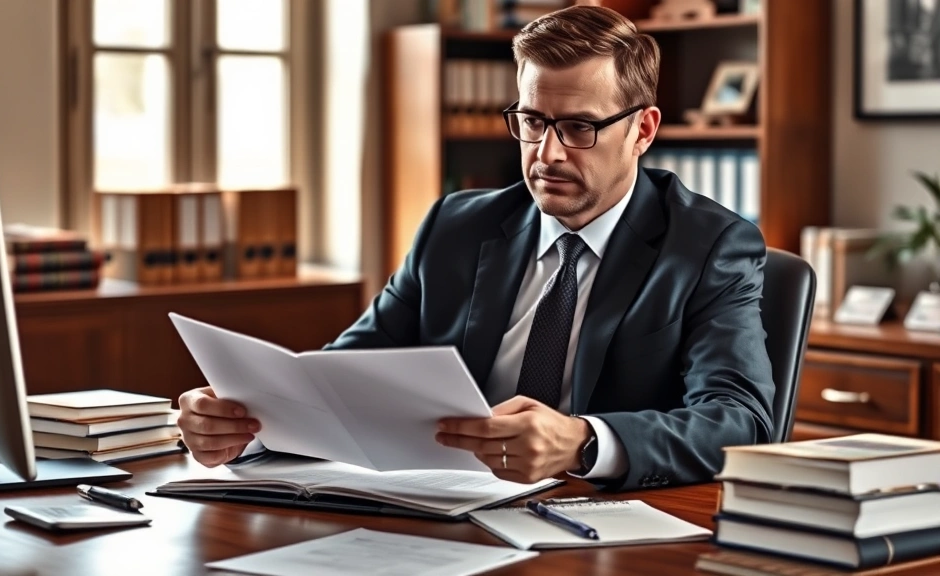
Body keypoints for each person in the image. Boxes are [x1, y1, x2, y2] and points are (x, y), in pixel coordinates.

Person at [176, 5, 774, 491]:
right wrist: (248, 422)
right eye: (532, 121)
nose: (548, 154)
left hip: (597, 524)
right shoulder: (457, 226)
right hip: (450, 509)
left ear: (642, 129)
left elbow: (741, 420)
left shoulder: (709, 245)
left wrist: (585, 441)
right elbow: (343, 376)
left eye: (579, 128)